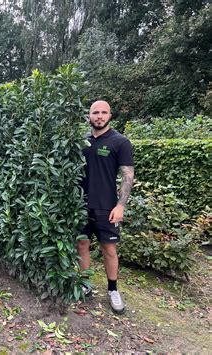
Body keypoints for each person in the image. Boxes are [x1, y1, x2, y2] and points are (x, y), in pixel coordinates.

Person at [78, 100, 134, 314]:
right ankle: (85, 284)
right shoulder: (82, 141)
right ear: (89, 116)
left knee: (108, 249)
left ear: (110, 115)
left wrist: (120, 205)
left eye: (103, 112)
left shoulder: (120, 142)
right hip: (81, 205)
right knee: (81, 245)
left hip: (106, 207)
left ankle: (113, 290)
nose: (99, 116)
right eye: (95, 112)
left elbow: (128, 176)